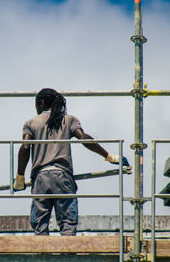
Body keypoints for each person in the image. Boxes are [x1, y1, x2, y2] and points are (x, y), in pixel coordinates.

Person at [14, 88, 129, 236]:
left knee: (40, 226)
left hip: (40, 180)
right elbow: (84, 138)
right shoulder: (69, 120)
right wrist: (109, 156)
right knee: (68, 224)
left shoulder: (31, 123)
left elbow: (25, 146)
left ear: (41, 103)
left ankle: (41, 255)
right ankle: (68, 254)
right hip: (63, 177)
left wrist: (20, 177)